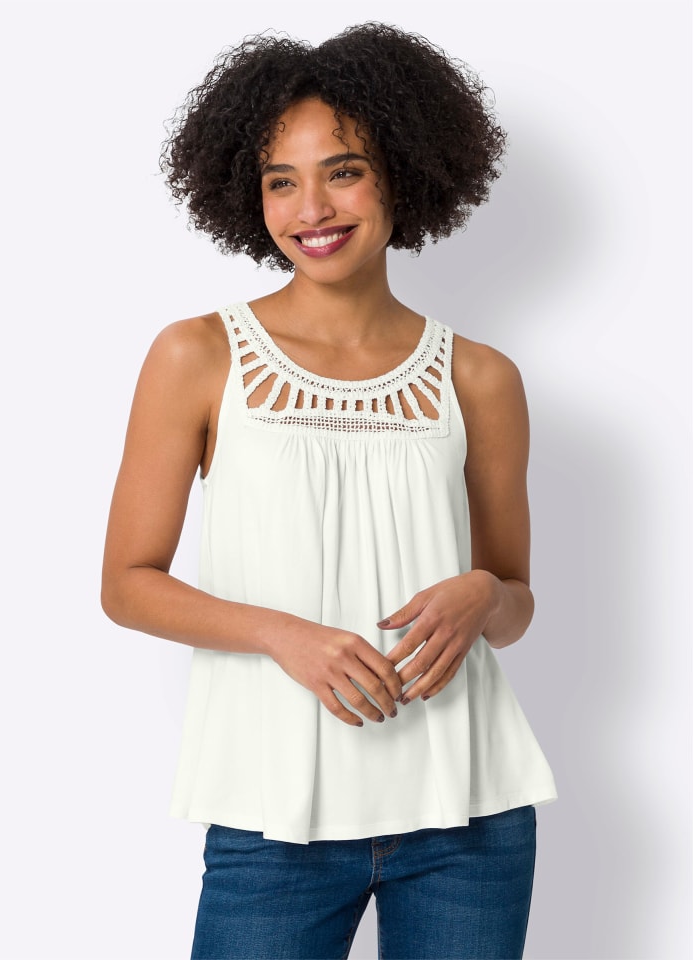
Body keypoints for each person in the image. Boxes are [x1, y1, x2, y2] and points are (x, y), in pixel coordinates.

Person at [102, 22, 556, 960]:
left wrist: (484, 595)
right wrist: (285, 635)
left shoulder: (479, 377)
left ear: (403, 174)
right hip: (274, 817)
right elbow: (128, 584)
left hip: (469, 818)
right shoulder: (198, 355)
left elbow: (515, 601)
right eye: (281, 181)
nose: (311, 207)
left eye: (343, 172)